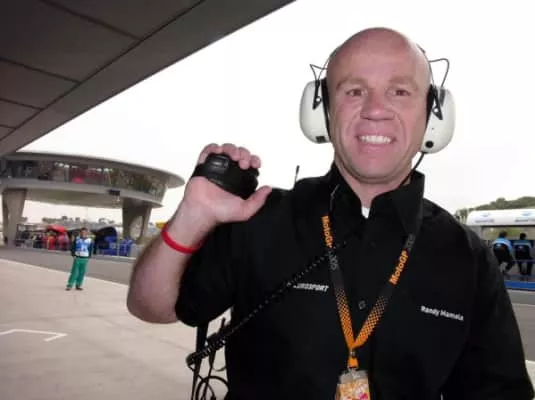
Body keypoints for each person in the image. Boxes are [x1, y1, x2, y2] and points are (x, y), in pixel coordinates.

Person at [127, 27, 534, 399]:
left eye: (400, 91)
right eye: (354, 91)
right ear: (321, 110)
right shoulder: (259, 218)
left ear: (433, 114)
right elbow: (151, 307)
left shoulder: (468, 257)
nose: (375, 109)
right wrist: (192, 217)